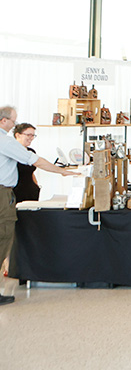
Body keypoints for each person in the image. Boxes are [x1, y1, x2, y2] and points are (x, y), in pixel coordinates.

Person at [0, 106, 80, 305]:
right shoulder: (5, 141)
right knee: (3, 238)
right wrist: (64, 172)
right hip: (3, 195)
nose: (14, 125)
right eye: (13, 122)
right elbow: (36, 161)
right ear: (4, 121)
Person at [12, 124, 40, 202]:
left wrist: (36, 185)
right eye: (28, 135)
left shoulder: (31, 151)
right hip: (15, 191)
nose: (31, 138)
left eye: (33, 135)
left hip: (31, 191)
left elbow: (31, 172)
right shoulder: (11, 151)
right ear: (18, 135)